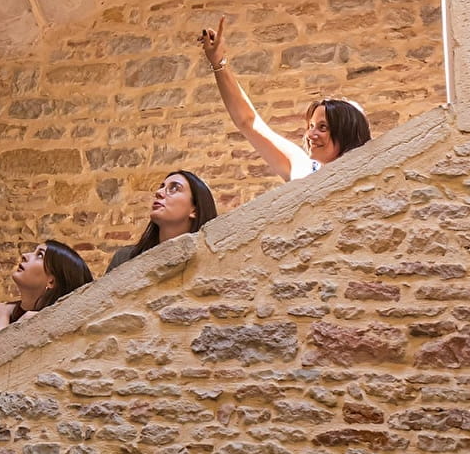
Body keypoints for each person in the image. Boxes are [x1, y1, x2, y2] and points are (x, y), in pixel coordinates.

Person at [199, 16, 371, 181]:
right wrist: (218, 63)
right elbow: (247, 122)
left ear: (347, 133)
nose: (310, 134)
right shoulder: (303, 169)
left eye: (322, 127)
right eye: (311, 126)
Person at [0, 240, 93, 348]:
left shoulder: (50, 327)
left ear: (51, 281)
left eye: (39, 255)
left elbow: (0, 361)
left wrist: (2, 315)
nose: (25, 255)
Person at [107, 171, 218, 271]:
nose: (159, 192)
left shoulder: (210, 266)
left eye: (174, 188)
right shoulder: (125, 259)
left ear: (194, 210)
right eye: (162, 187)